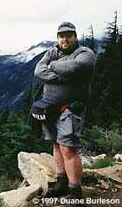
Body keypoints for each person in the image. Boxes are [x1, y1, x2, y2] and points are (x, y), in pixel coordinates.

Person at [34, 22, 95, 206]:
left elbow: (74, 68)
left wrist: (51, 65)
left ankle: (75, 191)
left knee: (68, 147)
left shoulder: (86, 54)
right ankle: (62, 182)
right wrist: (59, 76)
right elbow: (38, 70)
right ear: (57, 38)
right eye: (61, 36)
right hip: (50, 107)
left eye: (68, 35)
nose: (64, 39)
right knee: (56, 144)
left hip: (71, 108)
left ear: (75, 37)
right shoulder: (53, 52)